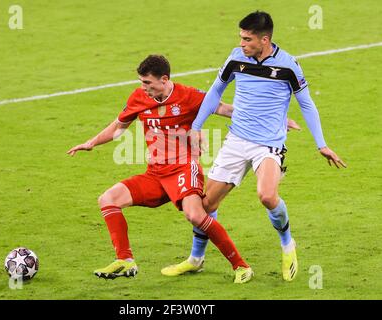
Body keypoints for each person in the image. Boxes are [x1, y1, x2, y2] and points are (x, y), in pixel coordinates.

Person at [161, 11, 346, 282]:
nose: (242, 43)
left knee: (267, 196)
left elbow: (306, 103)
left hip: (268, 145)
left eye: (247, 39)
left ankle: (287, 243)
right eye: (241, 37)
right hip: (236, 140)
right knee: (205, 205)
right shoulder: (236, 58)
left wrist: (322, 144)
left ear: (264, 39)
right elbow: (215, 92)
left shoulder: (288, 65)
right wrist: (197, 127)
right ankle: (196, 259)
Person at [67, 55, 254, 283]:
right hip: (155, 174)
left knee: (195, 214)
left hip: (184, 169)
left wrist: (272, 121)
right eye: (141, 82)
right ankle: (125, 260)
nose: (143, 88)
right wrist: (92, 142)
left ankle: (241, 266)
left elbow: (225, 109)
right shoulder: (139, 97)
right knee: (108, 199)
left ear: (164, 79)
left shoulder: (188, 96)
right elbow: (119, 127)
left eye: (148, 83)